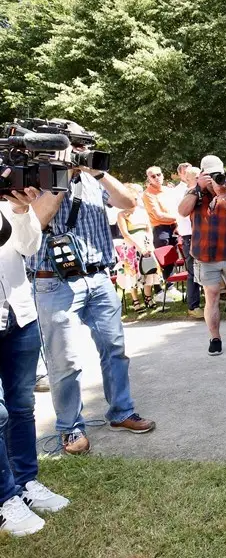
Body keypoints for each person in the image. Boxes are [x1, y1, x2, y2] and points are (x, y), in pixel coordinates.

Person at [28, 119, 156, 456]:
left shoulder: (93, 178)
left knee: (114, 348)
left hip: (99, 277)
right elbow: (37, 221)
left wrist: (95, 171)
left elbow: (129, 202)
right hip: (53, 282)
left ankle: (122, 411)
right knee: (64, 361)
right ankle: (70, 428)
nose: (80, 153)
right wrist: (62, 176)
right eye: (74, 146)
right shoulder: (35, 177)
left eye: (83, 146)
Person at [0, 189, 69, 537]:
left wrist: (20, 209)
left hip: (18, 314)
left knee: (22, 405)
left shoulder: (5, 201)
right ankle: (4, 499)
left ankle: (26, 483)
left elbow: (28, 247)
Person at [178, 155, 226, 356]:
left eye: (218, 174)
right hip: (205, 255)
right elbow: (182, 211)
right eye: (210, 174)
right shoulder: (194, 192)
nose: (215, 178)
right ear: (202, 174)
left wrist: (225, 194)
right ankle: (215, 338)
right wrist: (198, 188)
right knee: (211, 296)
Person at [116, 183, 162, 311]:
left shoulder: (143, 212)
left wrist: (150, 244)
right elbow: (125, 233)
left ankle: (148, 297)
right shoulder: (122, 214)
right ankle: (136, 300)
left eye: (136, 198)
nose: (135, 201)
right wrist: (139, 246)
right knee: (132, 273)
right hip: (132, 246)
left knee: (149, 270)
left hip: (146, 243)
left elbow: (149, 229)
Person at [173, 165, 203, 318]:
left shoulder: (201, 192)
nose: (199, 180)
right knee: (193, 271)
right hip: (189, 236)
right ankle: (193, 306)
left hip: (200, 234)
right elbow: (182, 214)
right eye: (196, 177)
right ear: (187, 178)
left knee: (203, 270)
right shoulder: (183, 193)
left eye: (200, 177)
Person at [143, 165, 179, 279]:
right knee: (166, 259)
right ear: (149, 179)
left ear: (162, 175)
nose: (157, 178)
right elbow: (158, 215)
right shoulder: (148, 194)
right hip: (161, 228)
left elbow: (176, 208)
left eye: (158, 174)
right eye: (153, 176)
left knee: (179, 255)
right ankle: (169, 285)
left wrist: (178, 221)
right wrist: (178, 218)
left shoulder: (169, 191)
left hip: (176, 226)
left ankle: (176, 282)